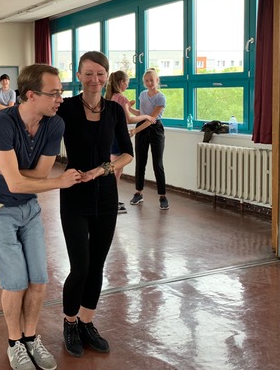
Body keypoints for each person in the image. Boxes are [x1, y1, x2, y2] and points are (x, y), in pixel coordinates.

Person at [0, 64, 81, 370]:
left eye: (61, 92)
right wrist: (59, 182)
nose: (60, 99)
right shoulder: (2, 122)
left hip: (28, 207)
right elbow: (20, 184)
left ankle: (31, 337)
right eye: (53, 93)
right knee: (16, 281)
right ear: (31, 95)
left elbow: (38, 175)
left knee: (39, 279)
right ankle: (14, 343)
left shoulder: (54, 124)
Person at [55, 52, 134, 358]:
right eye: (88, 73)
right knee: (80, 266)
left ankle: (87, 322)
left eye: (100, 73)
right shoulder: (66, 107)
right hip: (74, 192)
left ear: (106, 76)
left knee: (98, 264)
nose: (94, 79)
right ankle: (70, 322)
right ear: (78, 75)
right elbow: (28, 117)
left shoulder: (114, 110)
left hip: (105, 194)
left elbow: (127, 153)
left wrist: (102, 170)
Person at [105, 70, 155, 212]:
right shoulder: (121, 98)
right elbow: (129, 119)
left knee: (113, 169)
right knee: (116, 170)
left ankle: (111, 200)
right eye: (127, 82)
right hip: (118, 137)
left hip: (110, 136)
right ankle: (110, 202)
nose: (127, 85)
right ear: (122, 82)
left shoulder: (110, 96)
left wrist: (128, 106)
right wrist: (147, 116)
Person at [128, 67, 169, 210]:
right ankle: (138, 193)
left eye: (152, 80)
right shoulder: (142, 95)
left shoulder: (160, 97)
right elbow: (141, 113)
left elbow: (151, 118)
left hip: (155, 128)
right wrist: (128, 108)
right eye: (146, 81)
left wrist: (135, 130)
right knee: (140, 162)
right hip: (141, 126)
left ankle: (163, 196)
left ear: (157, 80)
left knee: (157, 163)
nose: (149, 83)